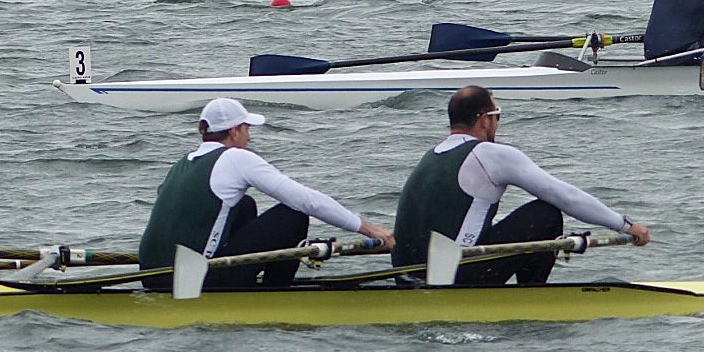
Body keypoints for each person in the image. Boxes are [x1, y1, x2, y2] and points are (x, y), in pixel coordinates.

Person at [392, 86, 651, 285]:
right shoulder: (490, 154)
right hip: (453, 276)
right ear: (484, 120)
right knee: (545, 213)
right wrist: (625, 225)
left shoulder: (430, 156)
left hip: (407, 275)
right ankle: (530, 295)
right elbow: (565, 196)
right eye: (497, 116)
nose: (497, 123)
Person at [138, 97, 393, 289]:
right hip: (193, 281)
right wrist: (371, 231)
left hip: (152, 277)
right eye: (247, 129)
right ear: (234, 131)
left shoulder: (182, 164)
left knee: (245, 204)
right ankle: (275, 293)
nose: (249, 137)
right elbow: (307, 200)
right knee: (293, 214)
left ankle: (247, 283)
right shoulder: (236, 158)